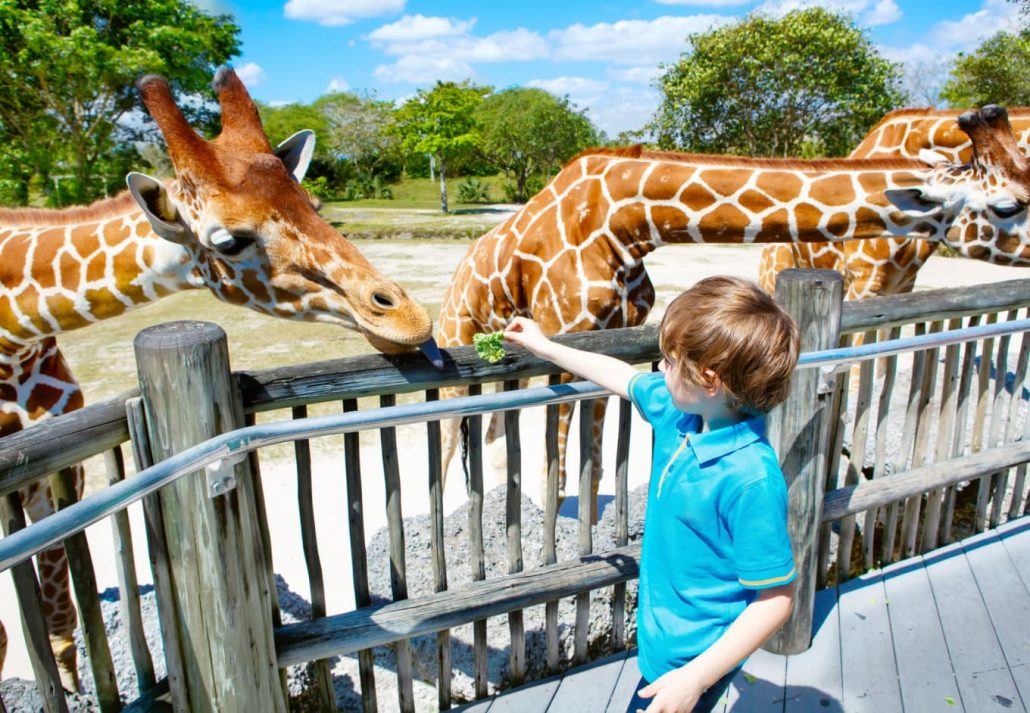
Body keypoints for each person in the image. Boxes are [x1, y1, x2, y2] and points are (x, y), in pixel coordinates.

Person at [503, 275, 800, 713]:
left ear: (709, 379)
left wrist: (697, 676)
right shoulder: (684, 414)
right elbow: (621, 376)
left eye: (670, 360)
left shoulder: (750, 477)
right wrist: (546, 347)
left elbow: (776, 598)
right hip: (663, 645)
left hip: (696, 659)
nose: (660, 369)